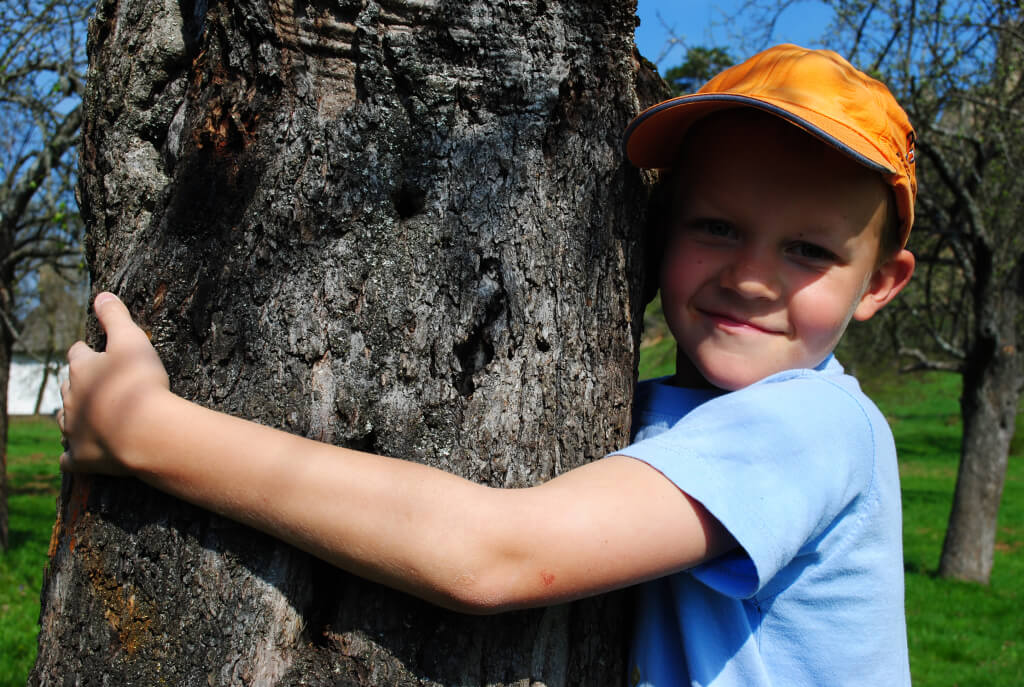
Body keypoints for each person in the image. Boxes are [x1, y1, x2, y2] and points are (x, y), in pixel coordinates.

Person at [58, 44, 916, 686]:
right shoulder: (670, 412)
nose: (751, 277)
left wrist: (150, 432)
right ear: (658, 232)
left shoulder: (812, 426)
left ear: (881, 283)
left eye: (809, 250)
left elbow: (492, 554)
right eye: (716, 227)